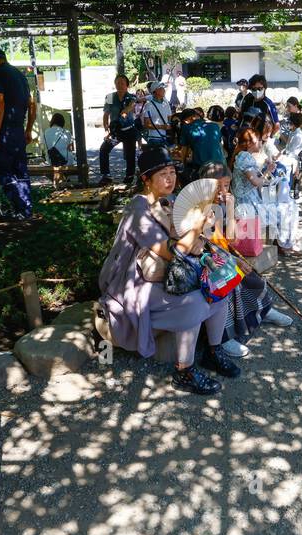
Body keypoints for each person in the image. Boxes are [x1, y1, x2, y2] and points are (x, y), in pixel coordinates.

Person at [97, 146, 238, 395]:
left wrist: (202, 229)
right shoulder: (137, 209)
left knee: (219, 287)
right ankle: (184, 371)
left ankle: (214, 351)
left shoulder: (168, 202)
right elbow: (171, 252)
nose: (170, 178)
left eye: (172, 172)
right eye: (163, 173)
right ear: (146, 180)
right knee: (194, 302)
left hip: (167, 274)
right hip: (135, 282)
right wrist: (195, 230)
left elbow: (189, 245)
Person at [196, 162, 292, 358]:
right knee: (230, 284)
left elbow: (230, 239)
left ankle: (263, 311)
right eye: (218, 186)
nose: (223, 191)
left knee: (253, 278)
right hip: (204, 262)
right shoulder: (197, 209)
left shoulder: (218, 206)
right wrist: (231, 260)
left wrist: (230, 208)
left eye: (227, 185)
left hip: (222, 256)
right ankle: (223, 337)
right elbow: (201, 247)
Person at [0, 46, 35, 219]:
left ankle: (20, 209)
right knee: (20, 171)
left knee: (2, 169)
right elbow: (31, 104)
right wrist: (28, 129)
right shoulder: (20, 75)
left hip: (4, 131)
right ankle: (26, 210)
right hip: (19, 130)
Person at [230, 125, 299, 254]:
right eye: (259, 140)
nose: (261, 143)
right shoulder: (245, 157)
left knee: (286, 206)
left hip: (248, 202)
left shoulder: (242, 155)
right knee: (287, 209)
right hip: (248, 206)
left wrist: (267, 171)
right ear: (250, 143)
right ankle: (284, 244)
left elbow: (254, 181)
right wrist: (267, 174)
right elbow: (256, 182)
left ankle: (283, 243)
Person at [99, 74, 137, 186]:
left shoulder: (131, 97)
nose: (119, 85)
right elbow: (106, 113)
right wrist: (106, 128)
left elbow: (131, 106)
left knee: (130, 154)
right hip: (115, 131)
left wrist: (125, 112)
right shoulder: (110, 97)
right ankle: (106, 175)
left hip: (129, 130)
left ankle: (129, 176)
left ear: (127, 85)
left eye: (122, 82)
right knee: (104, 149)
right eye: (117, 82)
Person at [179, 106, 226, 179]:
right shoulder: (215, 126)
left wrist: (182, 165)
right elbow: (215, 144)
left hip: (203, 166)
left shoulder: (186, 128)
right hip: (220, 165)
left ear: (186, 120)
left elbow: (184, 151)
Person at [140, 80, 174, 147]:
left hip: (165, 138)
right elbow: (147, 124)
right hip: (154, 139)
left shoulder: (166, 103)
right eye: (161, 88)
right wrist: (162, 126)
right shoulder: (149, 105)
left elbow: (170, 118)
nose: (164, 90)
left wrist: (169, 125)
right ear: (155, 91)